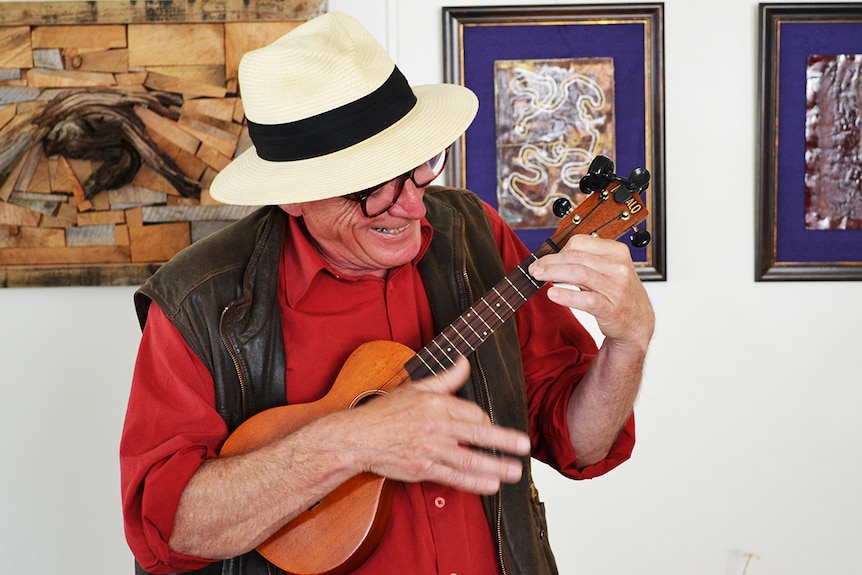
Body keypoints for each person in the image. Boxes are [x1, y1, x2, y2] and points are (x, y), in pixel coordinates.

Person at [120, 11, 654, 575]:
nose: (411, 206)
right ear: (294, 195)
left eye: (418, 167)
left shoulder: (476, 235)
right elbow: (169, 529)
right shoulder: (199, 302)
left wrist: (629, 344)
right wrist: (348, 443)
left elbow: (581, 442)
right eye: (373, 186)